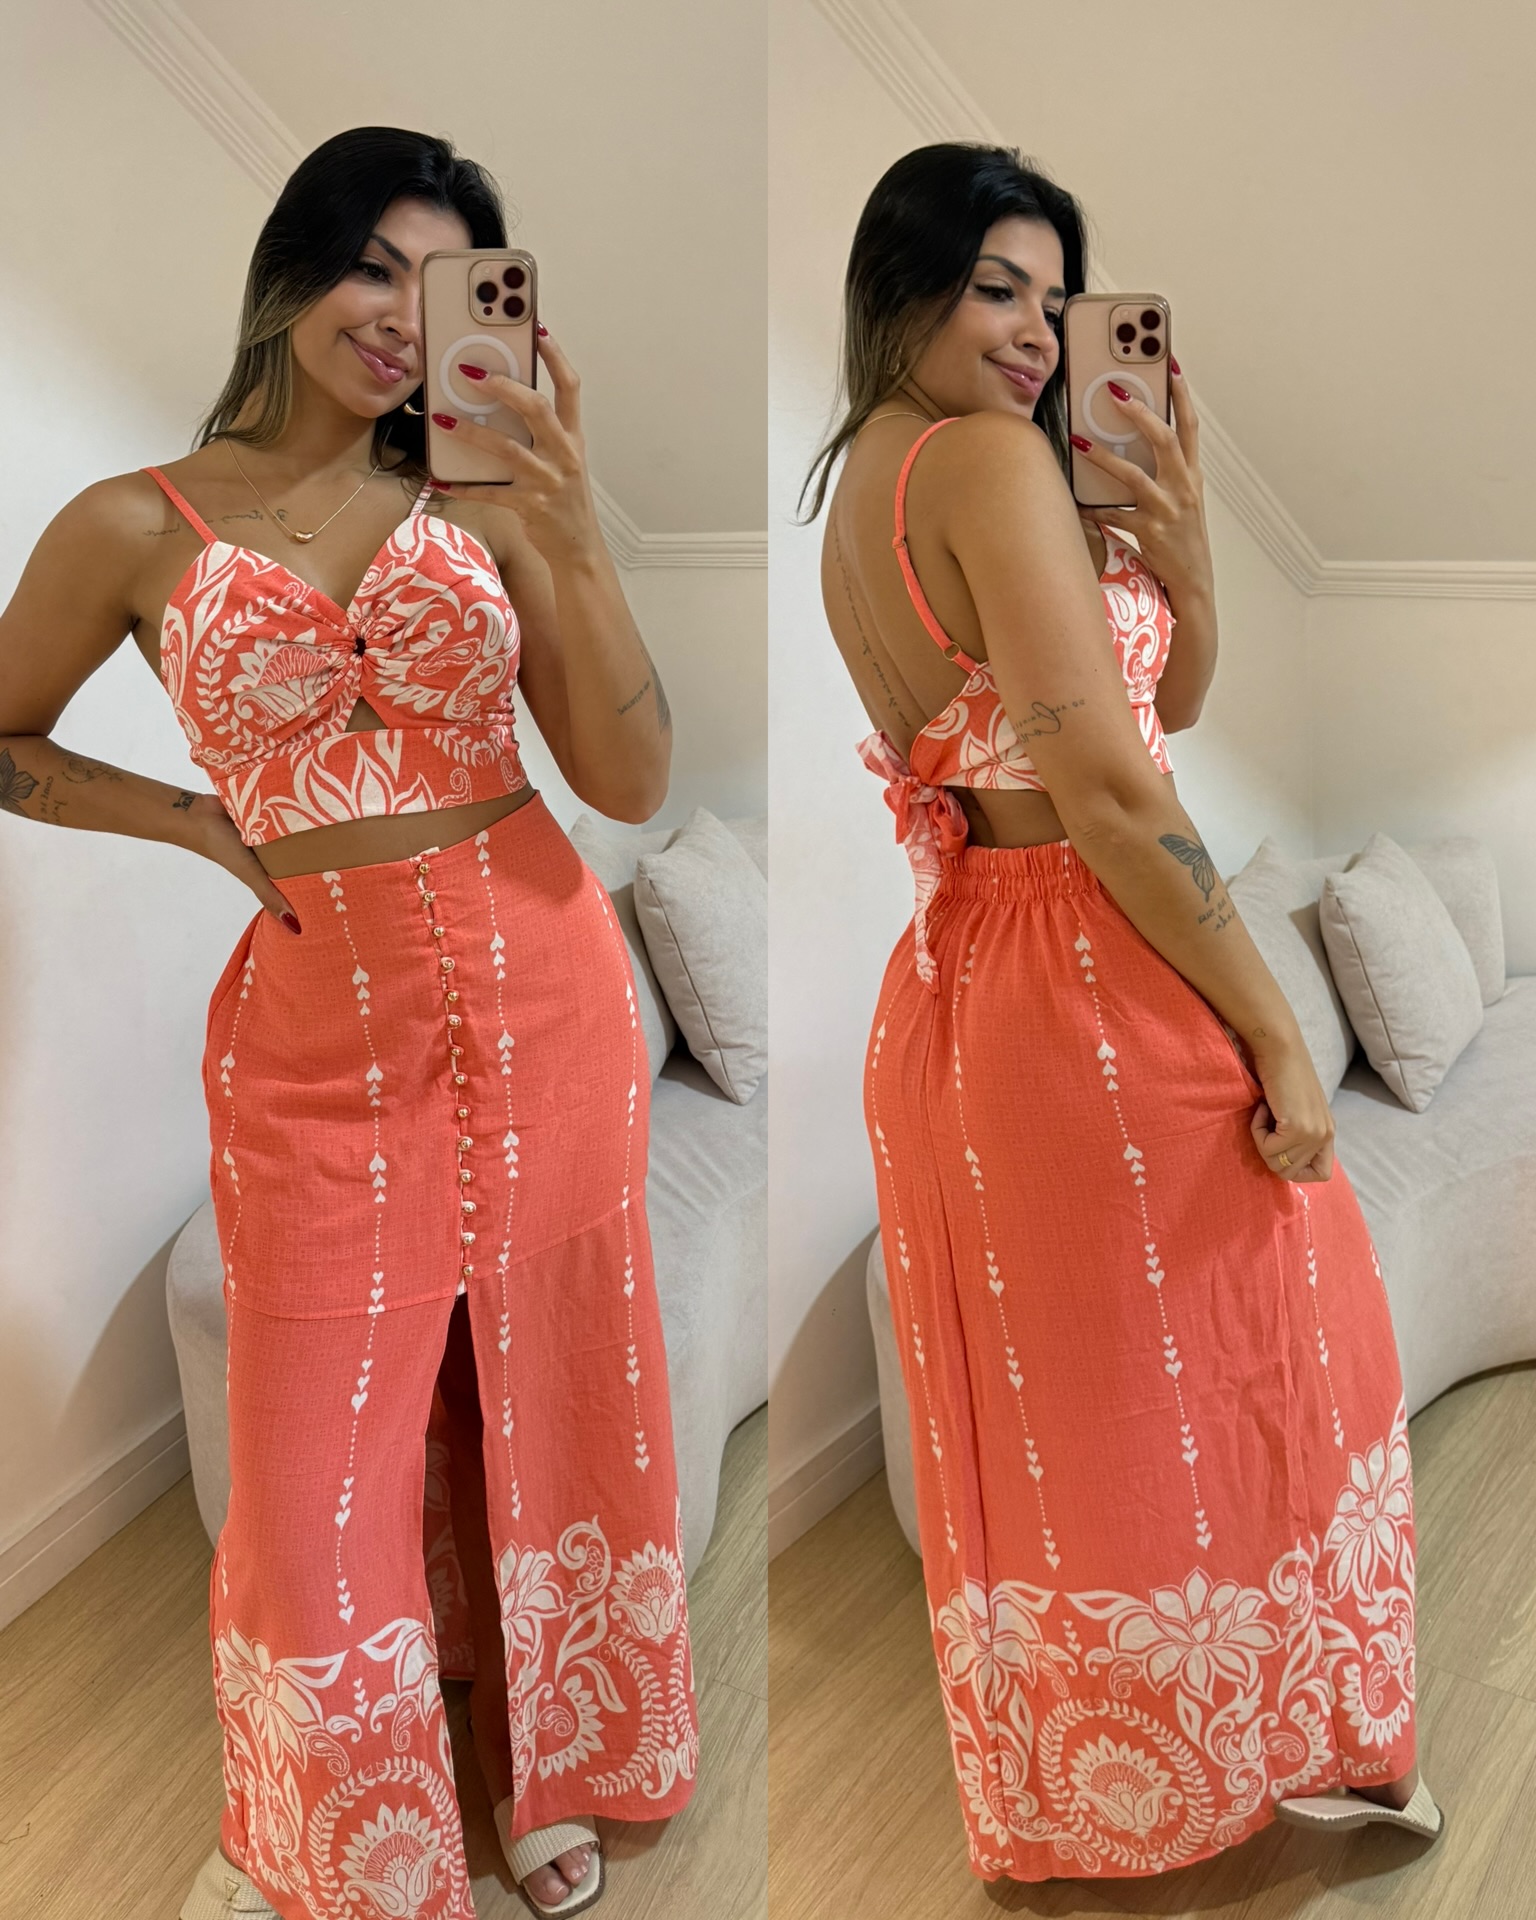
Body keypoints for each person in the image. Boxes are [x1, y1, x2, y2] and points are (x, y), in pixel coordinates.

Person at [0, 126, 697, 1920]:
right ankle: (353, 1829)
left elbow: (630, 779)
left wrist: (571, 522)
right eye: (375, 263)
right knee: (315, 1456)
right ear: (294, 264)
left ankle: (548, 1756)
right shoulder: (133, 523)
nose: (402, 314)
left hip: (549, 995)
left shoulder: (488, 495)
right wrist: (192, 821)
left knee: (548, 1388)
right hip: (318, 1041)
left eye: (446, 280)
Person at [806, 142, 1438, 1883]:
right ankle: (1304, 1750)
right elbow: (1104, 789)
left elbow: (1162, 711)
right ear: (901, 288)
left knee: (1072, 1415)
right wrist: (1281, 1030)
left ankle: (1092, 1805)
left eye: (1055, 296)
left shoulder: (874, 475)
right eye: (994, 287)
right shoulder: (987, 460)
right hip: (1086, 974)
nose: (1034, 330)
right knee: (1272, 1355)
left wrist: (1189, 551)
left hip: (966, 981)